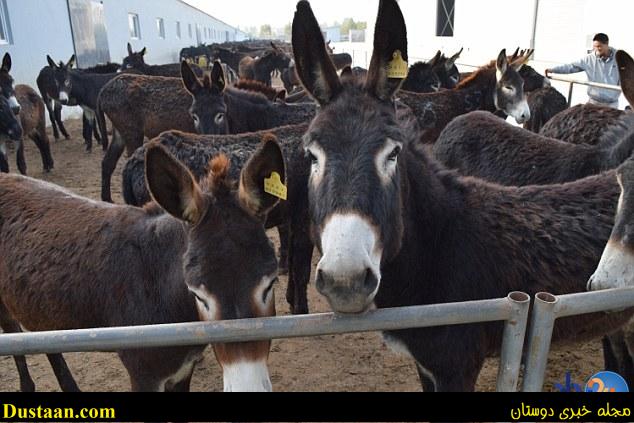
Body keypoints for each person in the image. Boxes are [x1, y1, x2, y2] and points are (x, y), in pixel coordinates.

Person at [545, 33, 621, 108]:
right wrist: (553, 70)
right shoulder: (589, 59)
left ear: (607, 44)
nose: (596, 49)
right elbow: (571, 67)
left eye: (599, 46)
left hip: (611, 104)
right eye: (594, 47)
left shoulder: (619, 58)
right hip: (593, 102)